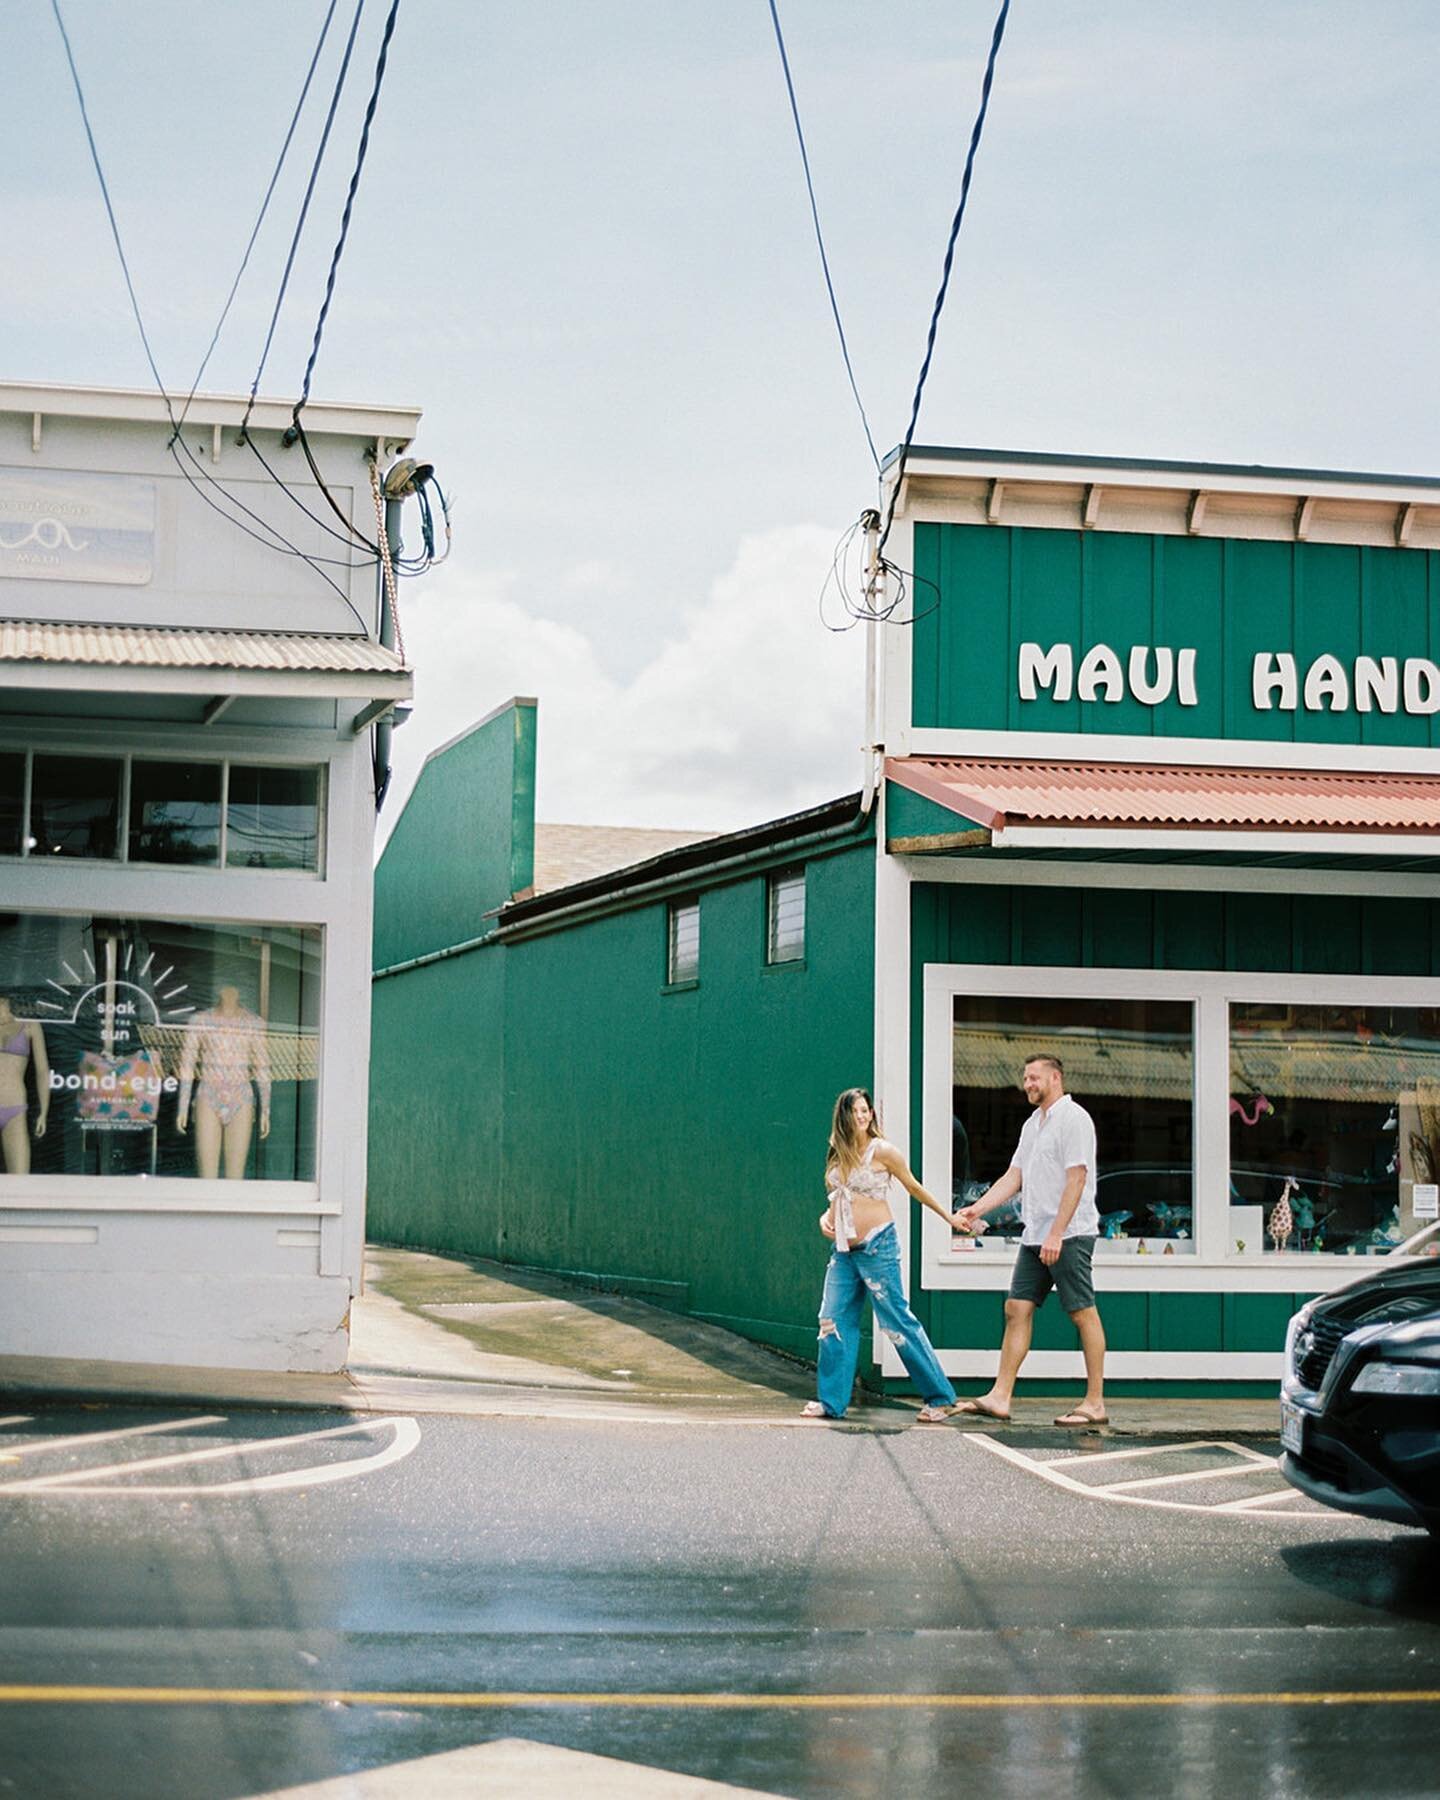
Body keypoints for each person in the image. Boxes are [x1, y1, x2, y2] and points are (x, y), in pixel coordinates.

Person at [954, 1054, 1108, 1427]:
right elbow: (1013, 1176)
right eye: (1025, 1079)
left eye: (1034, 1078)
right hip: (1035, 1235)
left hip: (1069, 1234)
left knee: (1081, 1311)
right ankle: (1000, 1396)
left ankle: (1095, 1403)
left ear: (1056, 1077)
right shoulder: (1032, 1125)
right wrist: (978, 1209)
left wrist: (1057, 1233)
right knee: (1016, 1309)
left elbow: (1077, 1179)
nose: (1028, 1085)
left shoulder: (1074, 1120)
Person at [803, 1087, 963, 1423]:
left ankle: (941, 1397)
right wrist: (824, 1219)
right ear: (844, 1116)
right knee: (831, 1318)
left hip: (878, 1245)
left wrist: (948, 1218)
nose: (862, 1117)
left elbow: (914, 1186)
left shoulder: (883, 1151)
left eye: (866, 1111)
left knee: (896, 1322)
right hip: (844, 1250)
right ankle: (831, 1402)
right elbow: (836, 1197)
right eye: (855, 1112)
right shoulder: (836, 1149)